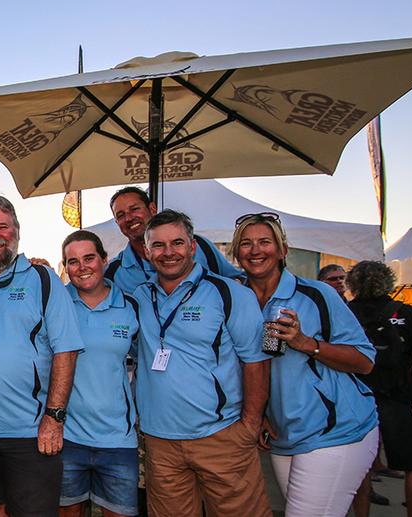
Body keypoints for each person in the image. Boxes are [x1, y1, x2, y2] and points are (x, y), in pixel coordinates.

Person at [231, 213, 378, 517]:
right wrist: (259, 412)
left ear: (283, 250)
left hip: (335, 430)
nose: (255, 250)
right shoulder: (236, 299)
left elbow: (364, 361)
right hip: (284, 434)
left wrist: (307, 343)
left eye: (264, 242)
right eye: (246, 244)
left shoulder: (316, 294)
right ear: (236, 253)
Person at [132, 209, 271, 517]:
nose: (168, 252)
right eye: (158, 245)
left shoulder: (229, 293)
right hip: (160, 442)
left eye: (177, 243)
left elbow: (256, 362)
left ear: (192, 247)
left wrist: (249, 426)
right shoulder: (139, 297)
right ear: (146, 251)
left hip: (220, 436)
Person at [0, 196, 82, 516]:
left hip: (31, 433)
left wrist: (54, 418)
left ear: (17, 231)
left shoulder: (43, 281)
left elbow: (66, 351)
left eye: (3, 226)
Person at [59, 230, 140, 517]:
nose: (82, 267)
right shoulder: (55, 303)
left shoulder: (130, 306)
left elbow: (150, 360)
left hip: (118, 439)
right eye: (73, 261)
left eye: (89, 258)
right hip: (65, 437)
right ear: (65, 267)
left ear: (105, 260)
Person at [347, 260, 412, 517]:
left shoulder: (344, 312)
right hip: (401, 397)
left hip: (356, 396)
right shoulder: (408, 314)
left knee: (359, 468)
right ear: (389, 281)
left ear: (353, 283)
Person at [105, 186, 240, 295]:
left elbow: (236, 280)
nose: (128, 218)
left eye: (134, 209)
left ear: (152, 209)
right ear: (117, 222)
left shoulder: (200, 246)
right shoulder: (114, 271)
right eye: (121, 215)